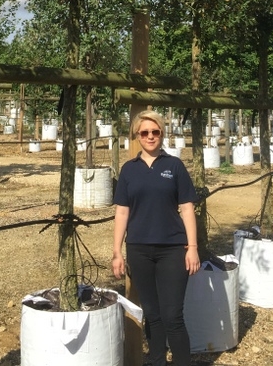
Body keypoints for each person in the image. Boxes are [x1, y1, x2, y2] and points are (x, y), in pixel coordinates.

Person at [112, 109, 199, 366]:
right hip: (139, 250)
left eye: (155, 132)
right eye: (145, 132)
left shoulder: (174, 166)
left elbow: (187, 208)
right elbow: (122, 212)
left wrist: (192, 247)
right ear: (137, 136)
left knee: (173, 315)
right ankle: (158, 361)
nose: (150, 136)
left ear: (162, 134)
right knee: (152, 313)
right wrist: (117, 251)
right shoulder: (129, 170)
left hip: (173, 249)